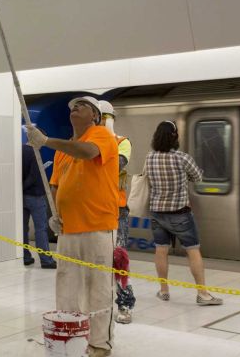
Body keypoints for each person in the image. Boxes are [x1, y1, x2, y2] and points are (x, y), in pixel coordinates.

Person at [27, 96, 118, 357]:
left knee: (98, 288)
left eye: (82, 106)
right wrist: (55, 213)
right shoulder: (63, 152)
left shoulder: (101, 135)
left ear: (95, 116)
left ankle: (100, 343)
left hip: (98, 227)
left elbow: (88, 153)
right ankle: (71, 336)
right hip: (68, 229)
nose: (74, 108)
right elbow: (55, 184)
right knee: (67, 286)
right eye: (72, 107)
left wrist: (45, 141)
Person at [145, 121, 222, 306]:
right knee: (193, 250)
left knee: (161, 250)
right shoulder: (182, 158)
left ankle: (163, 291)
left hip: (157, 212)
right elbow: (198, 177)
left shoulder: (150, 157)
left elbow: (149, 179)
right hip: (180, 213)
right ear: (175, 136)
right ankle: (202, 294)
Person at [98, 100, 135, 324]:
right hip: (92, 209)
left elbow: (113, 166)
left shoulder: (122, 142)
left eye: (104, 118)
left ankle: (124, 304)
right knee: (95, 259)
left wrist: (107, 136)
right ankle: (98, 302)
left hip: (116, 209)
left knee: (119, 258)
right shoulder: (82, 143)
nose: (100, 122)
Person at [22, 141, 56, 268]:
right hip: (36, 196)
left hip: (21, 196)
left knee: (23, 228)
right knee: (41, 228)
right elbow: (35, 177)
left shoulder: (20, 151)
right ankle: (46, 260)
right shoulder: (35, 153)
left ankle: (25, 256)